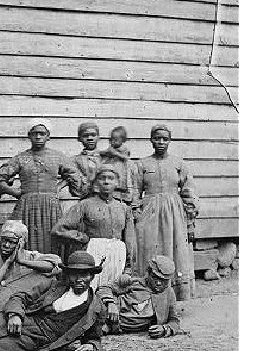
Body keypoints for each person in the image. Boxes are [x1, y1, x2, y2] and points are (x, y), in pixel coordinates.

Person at [0, 118, 81, 255]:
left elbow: (74, 175)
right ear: (29, 136)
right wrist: (14, 192)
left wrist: (58, 187)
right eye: (34, 133)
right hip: (26, 204)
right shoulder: (21, 158)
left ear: (48, 136)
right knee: (23, 237)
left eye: (42, 133)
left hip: (51, 205)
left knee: (52, 237)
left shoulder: (57, 156)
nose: (38, 136)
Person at [133, 124, 199, 300]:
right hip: (150, 213)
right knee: (149, 248)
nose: (161, 142)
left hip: (174, 213)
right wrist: (137, 213)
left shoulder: (179, 164)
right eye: (157, 138)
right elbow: (134, 192)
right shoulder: (142, 164)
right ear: (151, 140)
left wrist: (190, 217)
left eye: (165, 139)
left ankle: (175, 295)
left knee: (175, 248)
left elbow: (189, 191)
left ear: (170, 141)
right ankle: (148, 294)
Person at [51, 167, 137, 289]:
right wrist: (82, 237)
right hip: (93, 252)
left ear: (117, 183)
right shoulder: (85, 204)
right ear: (96, 183)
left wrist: (128, 267)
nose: (106, 182)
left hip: (118, 254)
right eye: (102, 178)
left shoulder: (124, 208)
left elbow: (130, 241)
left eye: (111, 178)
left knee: (114, 289)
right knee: (93, 288)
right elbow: (58, 230)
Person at [0, 220, 61, 317]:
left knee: (44, 278)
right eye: (4, 240)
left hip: (19, 299)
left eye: (11, 242)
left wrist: (22, 261)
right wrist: (8, 262)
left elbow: (54, 265)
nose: (6, 245)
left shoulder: (29, 256)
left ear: (21, 243)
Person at [98, 255, 181, 338]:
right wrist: (111, 304)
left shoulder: (169, 294)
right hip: (107, 320)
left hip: (126, 330)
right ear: (148, 273)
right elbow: (104, 288)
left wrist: (164, 329)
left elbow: (174, 321)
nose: (159, 283)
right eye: (155, 278)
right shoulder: (133, 282)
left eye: (164, 281)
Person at [99, 126, 137, 204]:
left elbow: (126, 158)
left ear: (122, 140)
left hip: (123, 176)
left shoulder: (124, 149)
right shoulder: (110, 150)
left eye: (116, 140)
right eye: (111, 140)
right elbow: (102, 152)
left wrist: (116, 154)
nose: (113, 142)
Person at [73, 122, 101, 199]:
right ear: (79, 138)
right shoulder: (75, 160)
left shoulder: (106, 158)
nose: (90, 138)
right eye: (85, 136)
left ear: (98, 137)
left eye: (93, 135)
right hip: (86, 197)